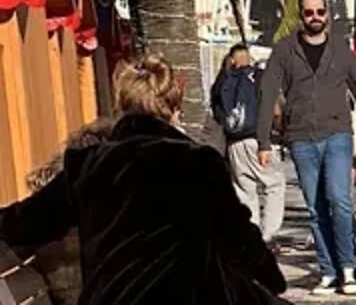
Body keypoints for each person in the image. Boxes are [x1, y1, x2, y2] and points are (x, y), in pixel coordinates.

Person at [0, 55, 287, 304]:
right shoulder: (198, 162)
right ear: (173, 110)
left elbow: (25, 221)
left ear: (121, 106)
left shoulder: (88, 163)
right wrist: (273, 279)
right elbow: (238, 236)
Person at [255, 0, 356, 295]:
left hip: (337, 134)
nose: (314, 17)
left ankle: (349, 269)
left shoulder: (340, 52)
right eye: (308, 12)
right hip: (300, 138)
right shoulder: (285, 51)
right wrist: (263, 141)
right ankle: (328, 271)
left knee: (339, 201)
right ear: (301, 16)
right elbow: (267, 94)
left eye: (319, 12)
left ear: (327, 14)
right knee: (315, 207)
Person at [211, 44, 285, 245]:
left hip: (234, 143)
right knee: (275, 184)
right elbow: (275, 109)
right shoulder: (259, 76)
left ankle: (250, 236)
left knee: (245, 190)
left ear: (232, 60)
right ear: (249, 58)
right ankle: (268, 234)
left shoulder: (222, 81)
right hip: (258, 139)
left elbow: (217, 114)